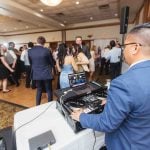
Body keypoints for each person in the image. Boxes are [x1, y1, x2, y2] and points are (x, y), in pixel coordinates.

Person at [71, 23, 150, 150]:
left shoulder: (123, 83)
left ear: (135, 48)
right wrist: (115, 101)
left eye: (125, 46)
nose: (123, 50)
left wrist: (81, 116)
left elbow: (107, 123)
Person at [28, 36, 54, 105]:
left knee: (39, 89)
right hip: (46, 73)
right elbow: (52, 62)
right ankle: (50, 105)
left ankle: (37, 105)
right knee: (48, 89)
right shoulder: (47, 50)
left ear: (37, 42)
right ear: (44, 43)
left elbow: (31, 63)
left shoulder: (30, 51)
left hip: (36, 73)